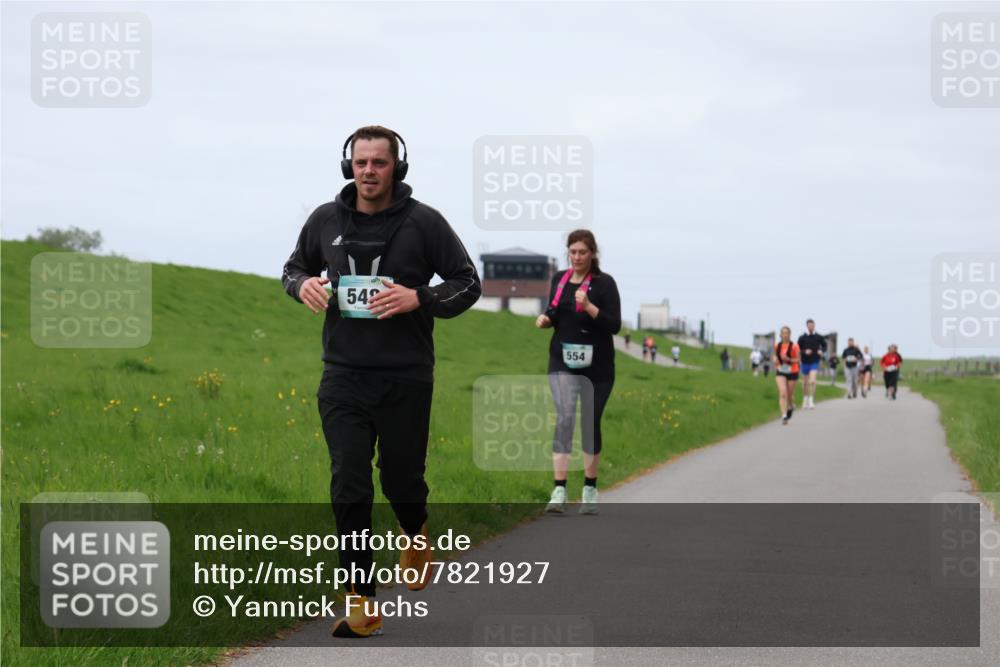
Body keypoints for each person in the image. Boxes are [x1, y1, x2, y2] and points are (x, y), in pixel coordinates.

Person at [282, 125, 481, 638]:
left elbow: (467, 283)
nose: (368, 172)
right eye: (361, 163)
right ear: (348, 166)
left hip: (406, 377)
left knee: (400, 481)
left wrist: (420, 298)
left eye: (379, 163)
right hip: (343, 374)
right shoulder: (325, 220)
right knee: (349, 481)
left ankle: (414, 530)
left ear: (398, 168)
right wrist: (302, 284)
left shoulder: (424, 223)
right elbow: (292, 268)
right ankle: (361, 600)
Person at [537, 230, 621, 515]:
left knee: (589, 423)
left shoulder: (605, 284)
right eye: (572, 252)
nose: (577, 257)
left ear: (593, 253)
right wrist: (546, 319)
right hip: (562, 359)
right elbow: (554, 310)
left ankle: (590, 487)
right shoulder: (559, 280)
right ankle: (559, 490)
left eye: (582, 252)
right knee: (565, 418)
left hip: (597, 366)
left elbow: (614, 325)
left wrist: (589, 307)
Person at [797, 319, 827, 410]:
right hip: (804, 361)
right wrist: (804, 351)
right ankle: (805, 399)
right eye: (809, 325)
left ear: (814, 326)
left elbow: (825, 345)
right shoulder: (802, 337)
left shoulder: (819, 337)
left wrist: (821, 351)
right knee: (805, 382)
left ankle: (811, 400)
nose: (810, 327)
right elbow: (797, 349)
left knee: (813, 380)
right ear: (807, 326)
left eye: (812, 325)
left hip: (814, 361)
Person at [774, 326, 800, 425]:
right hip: (781, 371)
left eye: (787, 333)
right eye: (783, 333)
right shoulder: (777, 346)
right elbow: (775, 355)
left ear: (789, 334)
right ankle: (784, 415)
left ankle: (790, 406)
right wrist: (774, 359)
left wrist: (789, 359)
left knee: (789, 394)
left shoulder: (794, 346)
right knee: (783, 393)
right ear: (780, 335)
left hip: (792, 371)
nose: (785, 335)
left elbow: (798, 360)